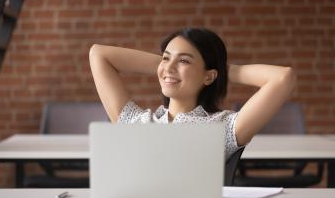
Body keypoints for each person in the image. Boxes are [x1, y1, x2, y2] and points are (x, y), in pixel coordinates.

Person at [89, 28, 296, 160]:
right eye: (165, 58)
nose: (169, 67)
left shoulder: (222, 128)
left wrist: (220, 71)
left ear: (209, 77)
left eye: (185, 60)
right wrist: (167, 67)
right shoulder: (135, 121)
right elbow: (98, 54)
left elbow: (282, 77)